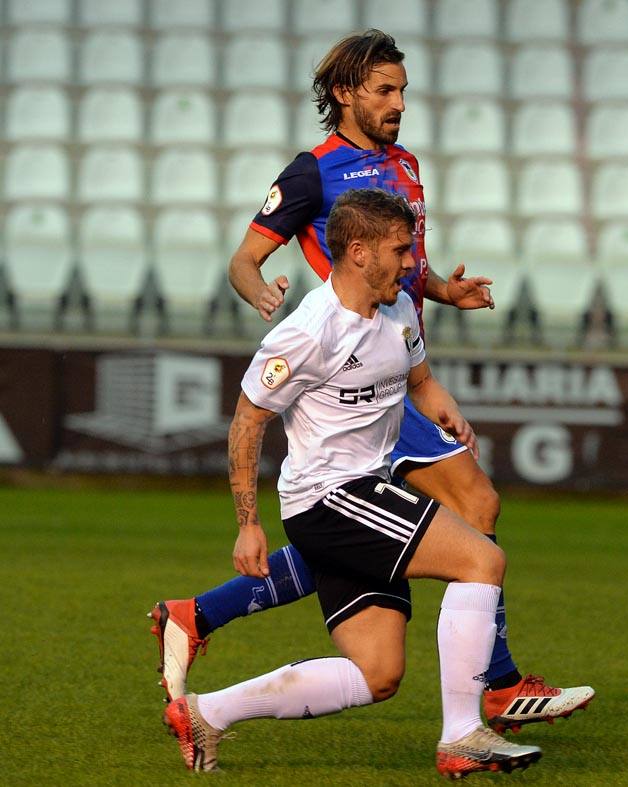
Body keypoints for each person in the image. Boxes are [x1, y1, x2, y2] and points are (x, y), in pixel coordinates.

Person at [150, 29, 592, 734]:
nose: (398, 104)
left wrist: (445, 289)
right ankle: (497, 687)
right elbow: (243, 258)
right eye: (384, 91)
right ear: (343, 94)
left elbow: (408, 264)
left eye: (402, 91)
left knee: (355, 529)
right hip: (351, 376)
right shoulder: (310, 172)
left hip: (399, 369)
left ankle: (199, 612)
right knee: (473, 506)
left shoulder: (406, 165)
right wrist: (261, 292)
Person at [164, 188, 541, 778]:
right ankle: (464, 734)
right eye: (401, 249)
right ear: (360, 252)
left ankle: (206, 713)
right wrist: (248, 524)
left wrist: (448, 413)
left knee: (379, 674)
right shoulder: (309, 333)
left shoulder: (398, 312)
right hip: (329, 501)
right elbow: (247, 420)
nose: (414, 262)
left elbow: (420, 382)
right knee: (481, 561)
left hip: (362, 493)